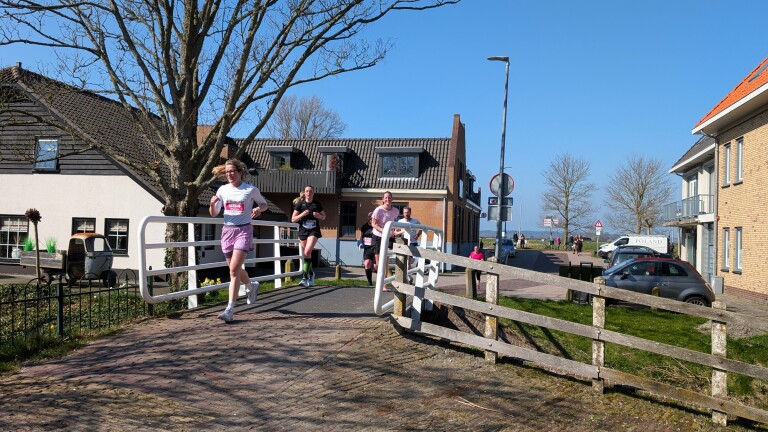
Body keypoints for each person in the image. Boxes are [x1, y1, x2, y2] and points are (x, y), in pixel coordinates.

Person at [209, 158, 268, 323]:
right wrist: (213, 204)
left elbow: (264, 204)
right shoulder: (222, 190)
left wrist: (258, 209)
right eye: (227, 172)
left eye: (232, 171)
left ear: (240, 172)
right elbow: (214, 213)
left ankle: (230, 309)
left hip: (244, 230)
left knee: (234, 270)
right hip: (227, 231)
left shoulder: (250, 190)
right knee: (234, 269)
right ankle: (251, 286)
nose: (229, 174)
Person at [291, 185, 326, 287]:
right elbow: (293, 219)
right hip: (303, 230)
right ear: (305, 193)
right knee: (307, 254)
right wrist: (302, 214)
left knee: (306, 252)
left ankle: (304, 277)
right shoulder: (300, 204)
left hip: (313, 230)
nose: (309, 193)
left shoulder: (317, 204)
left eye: (310, 191)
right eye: (307, 191)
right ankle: (311, 274)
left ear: (313, 193)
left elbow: (324, 216)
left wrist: (318, 216)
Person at [371, 191, 400, 291]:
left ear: (392, 199)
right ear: (383, 199)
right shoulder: (378, 210)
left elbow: (395, 225)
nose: (388, 199)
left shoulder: (395, 211)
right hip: (378, 236)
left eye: (389, 198)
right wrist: (383, 230)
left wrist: (397, 231)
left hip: (389, 237)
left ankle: (384, 284)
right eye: (386, 198)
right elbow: (373, 224)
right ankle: (379, 283)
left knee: (386, 262)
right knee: (380, 263)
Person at [358, 212, 375, 285]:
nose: (370, 218)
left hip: (375, 248)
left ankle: (382, 283)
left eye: (372, 217)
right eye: (369, 216)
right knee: (367, 263)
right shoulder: (364, 226)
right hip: (367, 249)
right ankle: (369, 282)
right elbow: (361, 237)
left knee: (376, 266)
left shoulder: (376, 226)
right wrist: (361, 243)